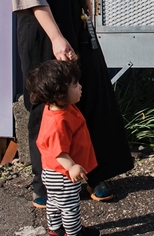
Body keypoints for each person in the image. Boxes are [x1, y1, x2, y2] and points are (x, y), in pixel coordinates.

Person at [8, 0, 133, 208]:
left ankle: (95, 172)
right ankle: (45, 182)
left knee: (89, 96)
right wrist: (58, 39)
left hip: (77, 26)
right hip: (43, 32)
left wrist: (87, 18)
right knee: (47, 105)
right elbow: (34, 1)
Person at [26, 60, 100, 236]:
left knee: (54, 201)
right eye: (75, 85)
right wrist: (72, 167)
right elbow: (59, 152)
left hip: (52, 171)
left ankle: (55, 228)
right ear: (59, 94)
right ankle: (74, 233)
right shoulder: (59, 121)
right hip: (62, 174)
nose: (80, 87)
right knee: (70, 207)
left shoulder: (56, 108)